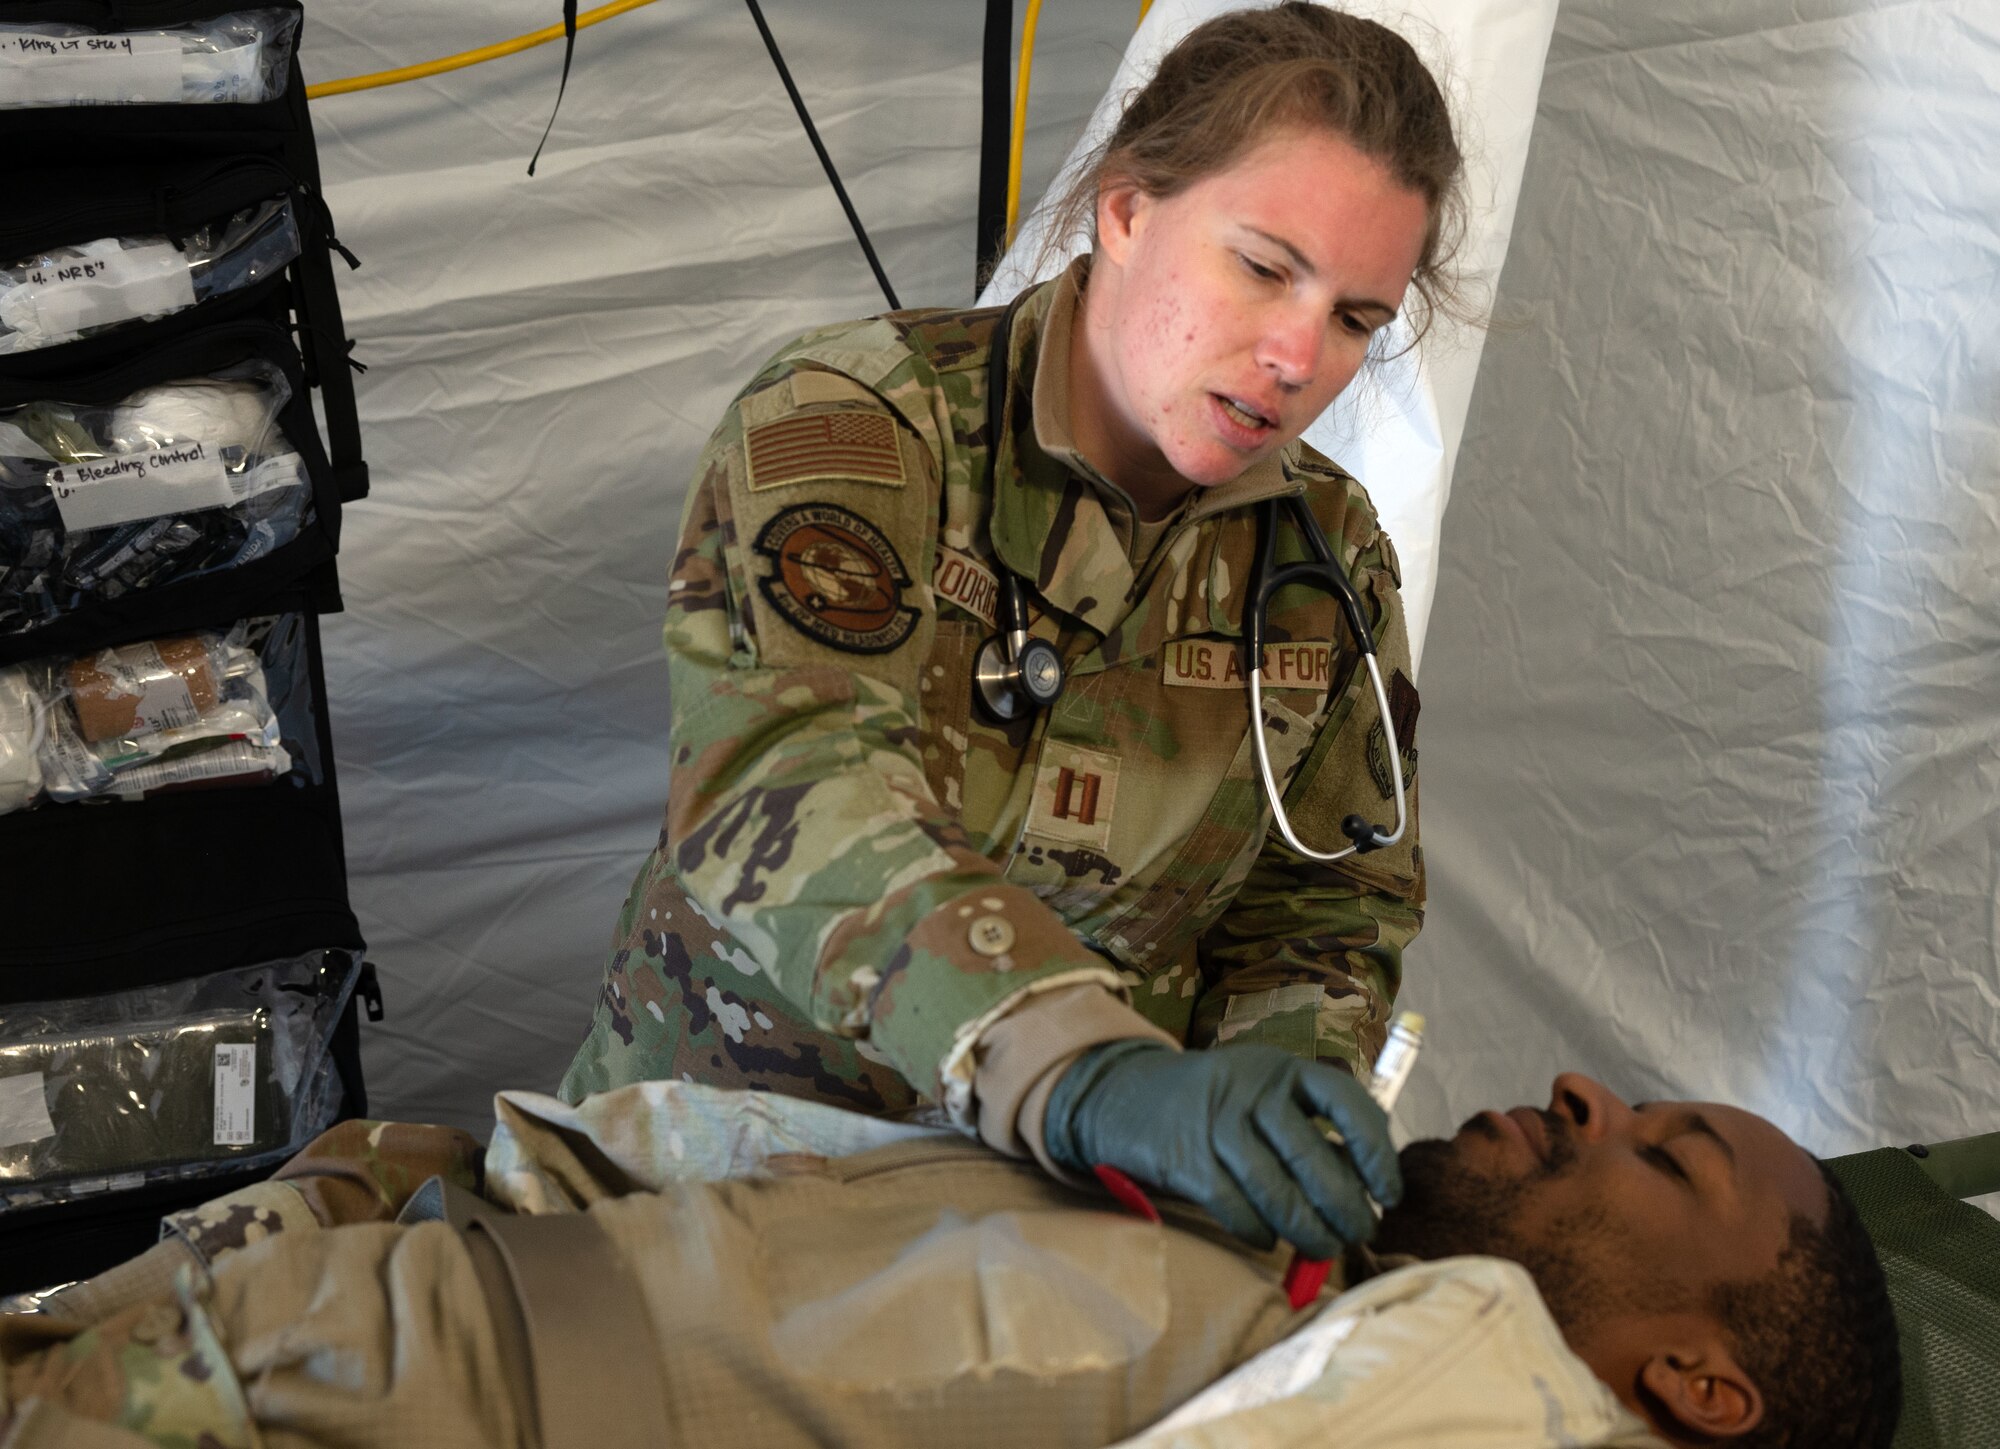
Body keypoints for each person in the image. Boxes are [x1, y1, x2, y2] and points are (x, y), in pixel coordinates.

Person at [560, 2, 1467, 1264]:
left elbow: (1326, 899)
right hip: (726, 1181)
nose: (1295, 357)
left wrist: (1263, 1112)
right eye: (1262, 268)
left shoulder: (1324, 556)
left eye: (1357, 318)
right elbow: (794, 781)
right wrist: (1090, 1076)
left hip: (1065, 1233)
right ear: (1125, 208)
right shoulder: (859, 422)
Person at [0, 1073, 1900, 1449]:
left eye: (1668, 1149)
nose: (1580, 1088)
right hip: (324, 1307)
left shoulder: (1473, 1392)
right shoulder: (1326, 1292)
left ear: (1697, 1383)